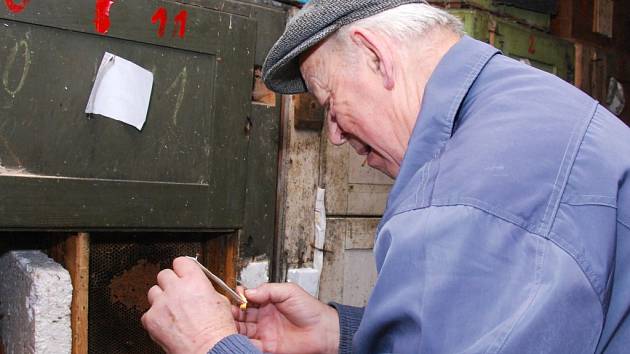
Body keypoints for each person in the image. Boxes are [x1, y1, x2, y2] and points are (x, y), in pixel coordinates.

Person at [141, 0, 630, 353]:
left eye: (331, 105)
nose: (333, 136)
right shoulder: (524, 104)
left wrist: (211, 343)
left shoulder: (470, 195)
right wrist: (342, 333)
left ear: (376, 55)